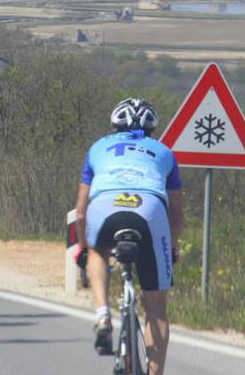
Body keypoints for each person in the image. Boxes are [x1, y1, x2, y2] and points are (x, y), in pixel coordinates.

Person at [74, 98, 183, 375]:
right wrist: (171, 245)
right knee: (156, 307)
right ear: (152, 129)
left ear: (115, 126)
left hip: (105, 205)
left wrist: (84, 246)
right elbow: (177, 212)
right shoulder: (164, 152)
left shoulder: (97, 147)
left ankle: (102, 315)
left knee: (98, 252)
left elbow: (81, 210)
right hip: (150, 209)